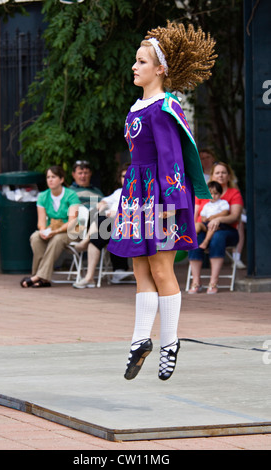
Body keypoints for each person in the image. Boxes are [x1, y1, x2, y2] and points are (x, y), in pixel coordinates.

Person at [107, 21, 217, 380]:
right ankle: (140, 340)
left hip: (160, 196)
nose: (134, 67)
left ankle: (169, 342)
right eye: (135, 61)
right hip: (136, 194)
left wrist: (171, 208)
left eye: (141, 61)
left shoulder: (165, 108)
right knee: (140, 267)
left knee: (161, 268)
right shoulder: (136, 107)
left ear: (160, 69)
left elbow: (172, 162)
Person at [188, 161, 243, 294]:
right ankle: (196, 282)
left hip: (227, 230)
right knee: (195, 238)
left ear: (229, 176)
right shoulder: (203, 193)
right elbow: (195, 213)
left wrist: (218, 219)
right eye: (217, 173)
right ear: (212, 176)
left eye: (224, 172)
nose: (221, 175)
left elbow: (235, 216)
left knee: (217, 237)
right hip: (204, 227)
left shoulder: (233, 193)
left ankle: (213, 282)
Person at [20, 165, 80, 288]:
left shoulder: (71, 195)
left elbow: (73, 221)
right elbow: (41, 221)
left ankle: (38, 277)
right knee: (36, 237)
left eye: (54, 177)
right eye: (48, 177)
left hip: (70, 231)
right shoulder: (43, 196)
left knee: (57, 239)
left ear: (62, 179)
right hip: (51, 229)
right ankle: (42, 279)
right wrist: (43, 231)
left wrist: (56, 231)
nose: (50, 180)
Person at [72, 164, 130, 288]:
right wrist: (102, 204)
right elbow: (104, 201)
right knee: (96, 239)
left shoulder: (141, 194)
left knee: (102, 219)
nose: (126, 179)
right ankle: (89, 278)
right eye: (123, 176)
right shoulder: (118, 193)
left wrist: (119, 214)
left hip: (129, 228)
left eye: (129, 176)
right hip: (110, 227)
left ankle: (84, 241)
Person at [195, 181, 230, 250]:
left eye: (215, 193)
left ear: (220, 194)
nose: (213, 196)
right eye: (210, 194)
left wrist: (213, 217)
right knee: (198, 224)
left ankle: (206, 242)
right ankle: (193, 237)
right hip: (206, 224)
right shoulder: (207, 205)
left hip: (219, 224)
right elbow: (203, 216)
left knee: (212, 226)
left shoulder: (222, 202)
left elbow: (225, 212)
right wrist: (204, 218)